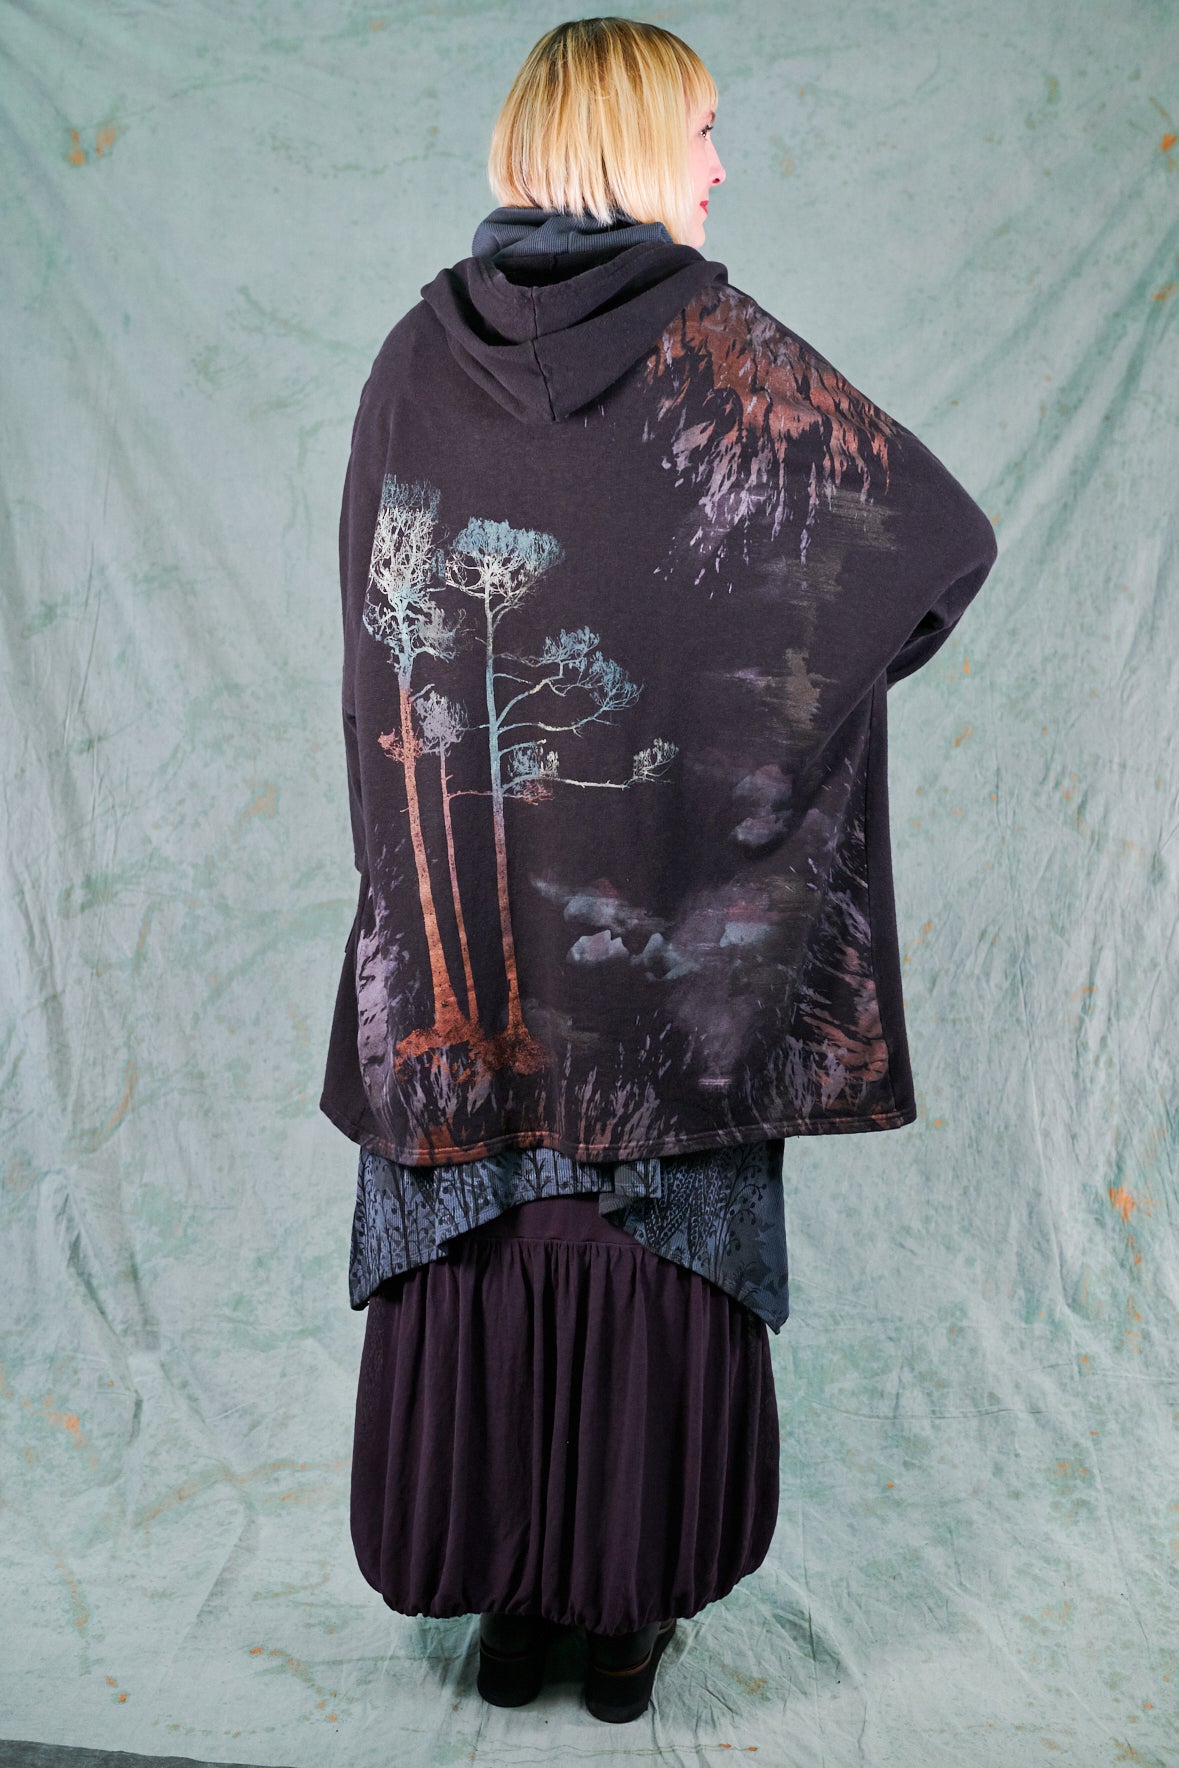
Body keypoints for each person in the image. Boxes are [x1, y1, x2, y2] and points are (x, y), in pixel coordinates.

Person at [322, 16, 997, 1727]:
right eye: (702, 133)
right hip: (665, 971)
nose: (720, 166)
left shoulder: (415, 358)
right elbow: (934, 546)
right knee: (653, 1245)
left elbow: (378, 651)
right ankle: (625, 1630)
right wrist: (764, 726)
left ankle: (509, 1615)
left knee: (484, 1239)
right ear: (631, 144)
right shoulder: (722, 351)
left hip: (470, 954)